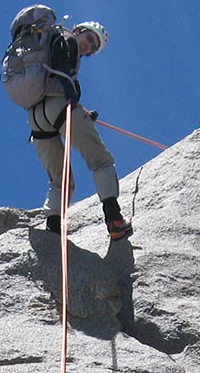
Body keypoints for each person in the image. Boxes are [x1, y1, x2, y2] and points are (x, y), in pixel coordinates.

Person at [27, 20, 131, 241]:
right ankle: (114, 219)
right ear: (80, 30)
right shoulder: (68, 40)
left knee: (60, 179)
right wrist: (73, 100)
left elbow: (55, 76)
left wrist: (79, 108)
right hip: (60, 109)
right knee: (101, 161)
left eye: (93, 49)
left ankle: (54, 227)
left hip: (37, 119)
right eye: (91, 39)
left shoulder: (52, 44)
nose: (89, 47)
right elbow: (62, 75)